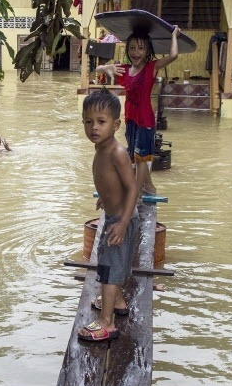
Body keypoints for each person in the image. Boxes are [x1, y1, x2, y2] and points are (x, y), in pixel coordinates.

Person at [77, 89, 140, 343]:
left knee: (109, 267)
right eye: (88, 122)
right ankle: (119, 301)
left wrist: (124, 222)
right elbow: (111, 181)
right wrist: (105, 194)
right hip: (114, 215)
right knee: (112, 262)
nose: (94, 127)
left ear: (115, 124)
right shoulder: (100, 148)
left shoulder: (117, 152)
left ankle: (107, 322)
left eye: (101, 122)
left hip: (121, 219)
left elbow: (133, 187)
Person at [94, 26, 179, 195]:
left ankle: (138, 189)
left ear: (147, 51)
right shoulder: (124, 69)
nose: (136, 52)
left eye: (141, 48)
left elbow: (174, 55)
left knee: (141, 159)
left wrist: (174, 35)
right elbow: (97, 70)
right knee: (133, 156)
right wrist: (107, 68)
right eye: (132, 48)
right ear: (127, 50)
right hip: (130, 120)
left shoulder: (151, 68)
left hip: (145, 121)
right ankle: (148, 187)